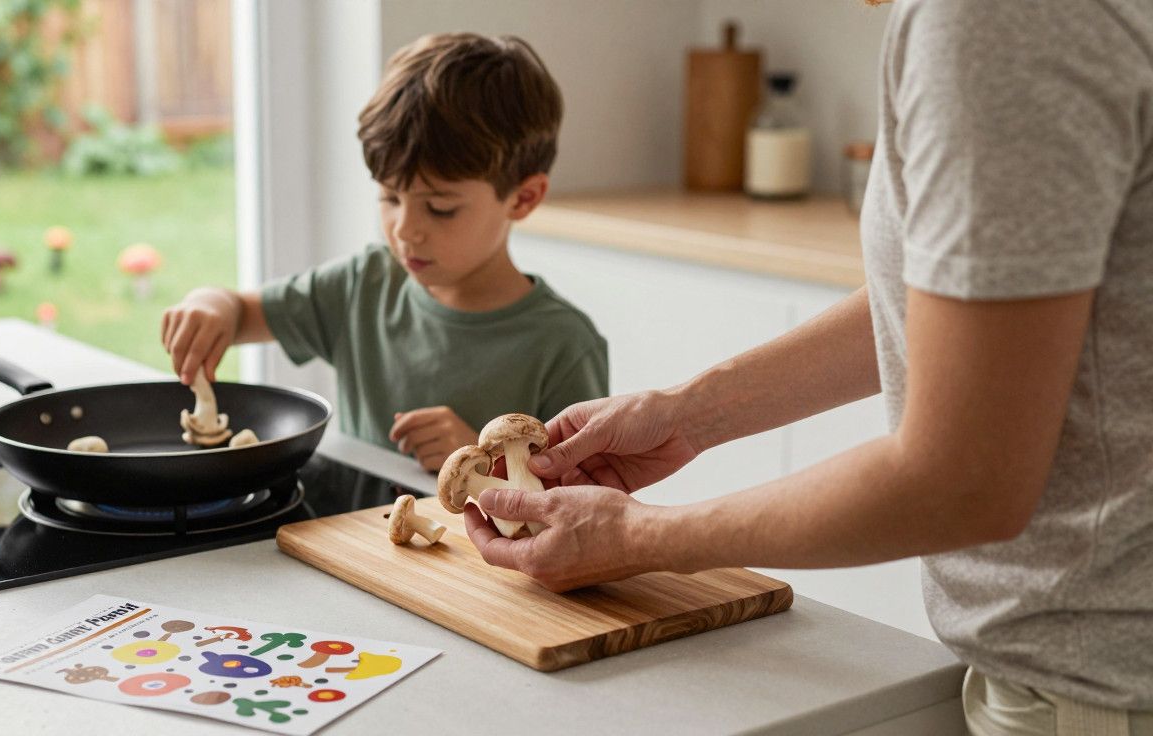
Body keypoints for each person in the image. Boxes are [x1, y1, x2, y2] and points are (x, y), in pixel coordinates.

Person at [464, 1, 1153, 734]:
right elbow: (962, 303)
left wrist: (639, 539)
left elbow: (966, 478)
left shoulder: (994, 21)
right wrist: (688, 410)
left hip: (1098, 688)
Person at [161, 32, 607, 471]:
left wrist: (481, 458)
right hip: (351, 542)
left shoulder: (564, 347)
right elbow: (241, 313)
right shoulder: (364, 284)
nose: (405, 230)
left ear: (523, 198)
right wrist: (210, 305)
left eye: (440, 208)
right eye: (390, 198)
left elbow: (581, 506)